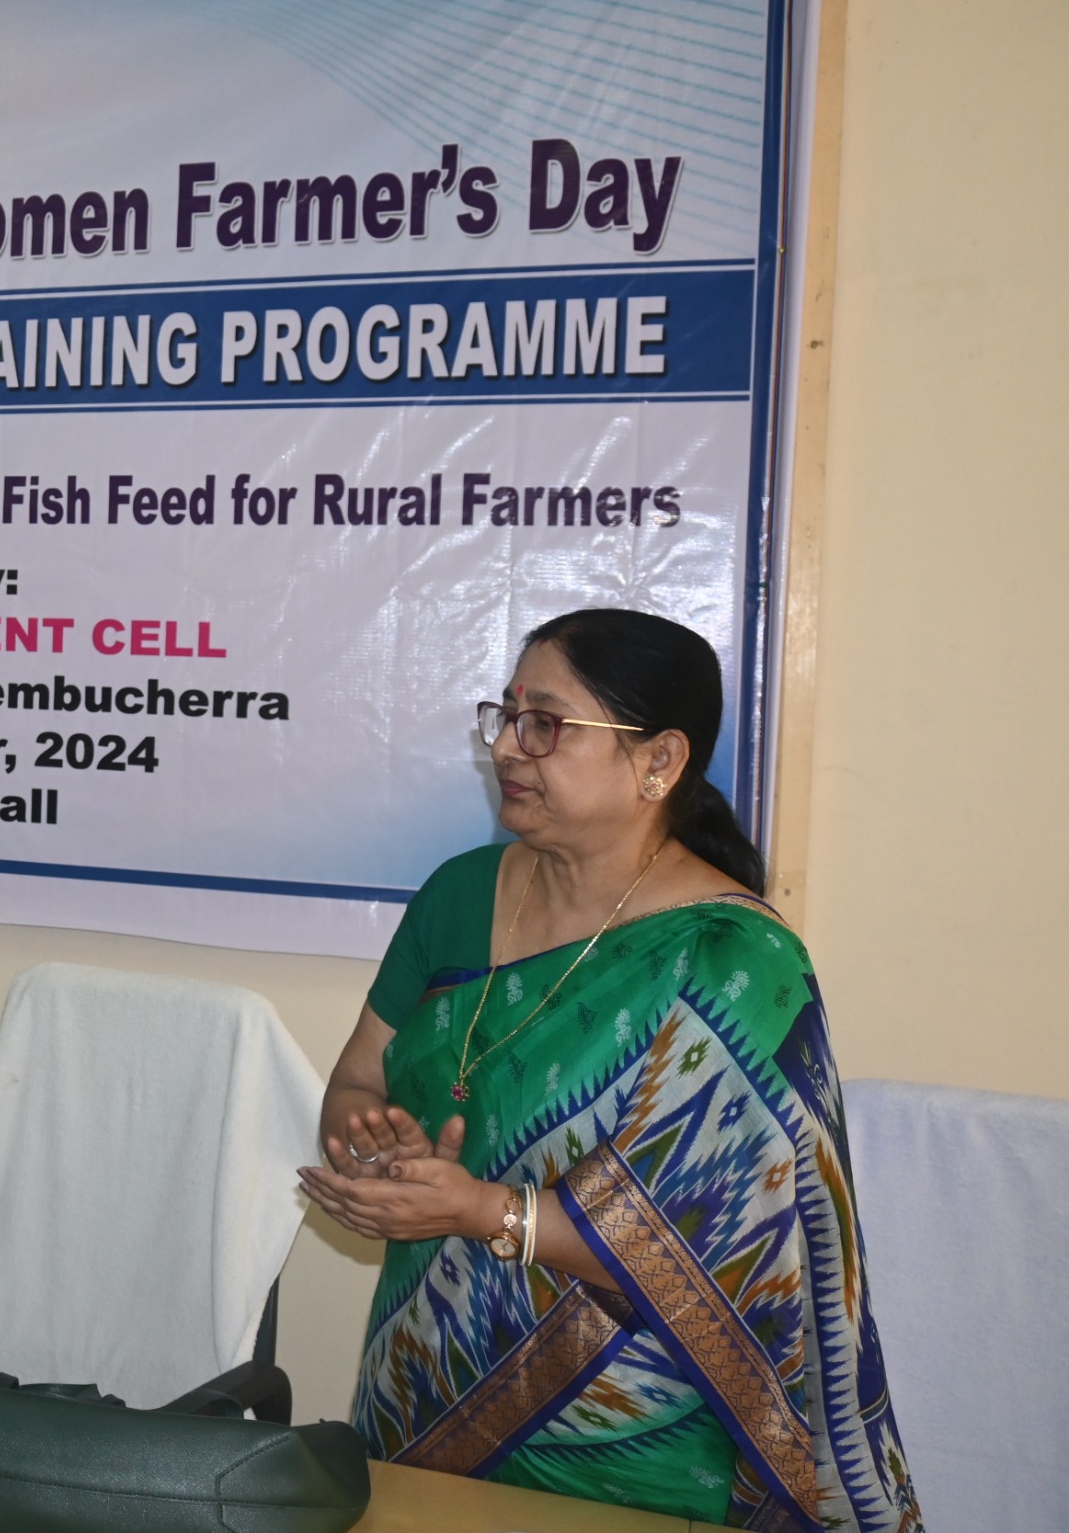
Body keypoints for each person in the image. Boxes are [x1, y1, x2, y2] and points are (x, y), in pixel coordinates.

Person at [301, 609, 920, 1531]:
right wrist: (370, 1143)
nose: (509, 747)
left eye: (546, 723)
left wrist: (479, 1210)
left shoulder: (730, 959)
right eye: (506, 715)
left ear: (659, 763)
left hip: (645, 1431)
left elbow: (725, 1243)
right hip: (424, 1388)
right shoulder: (458, 894)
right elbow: (357, 1078)